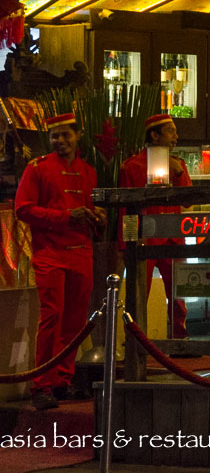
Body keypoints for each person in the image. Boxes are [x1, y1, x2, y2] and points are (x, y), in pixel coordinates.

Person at [15, 113, 102, 411]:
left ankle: (62, 382)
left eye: (66, 135)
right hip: (50, 253)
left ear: (78, 136)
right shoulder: (37, 168)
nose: (60, 141)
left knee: (76, 322)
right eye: (55, 136)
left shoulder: (88, 171)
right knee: (52, 317)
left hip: (81, 252)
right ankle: (42, 384)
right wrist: (66, 217)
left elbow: (89, 210)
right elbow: (23, 210)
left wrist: (97, 218)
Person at [118, 114, 191, 341]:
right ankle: (136, 341)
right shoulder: (131, 166)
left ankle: (181, 338)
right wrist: (125, 243)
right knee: (139, 294)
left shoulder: (178, 164)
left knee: (180, 293)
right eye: (171, 131)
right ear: (154, 135)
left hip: (173, 238)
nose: (176, 137)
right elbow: (124, 210)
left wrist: (178, 173)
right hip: (144, 239)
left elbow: (188, 200)